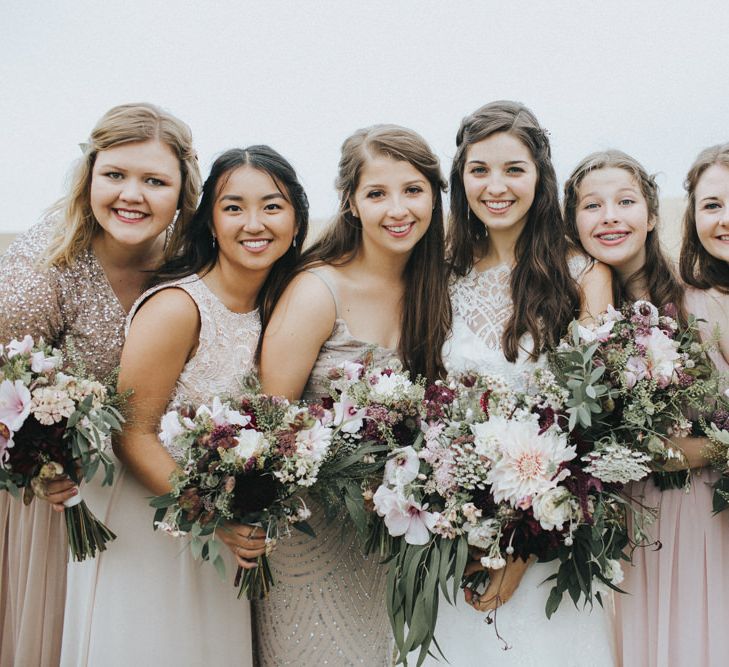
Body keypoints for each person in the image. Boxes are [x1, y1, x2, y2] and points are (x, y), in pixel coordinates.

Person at [56, 146, 309, 666]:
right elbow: (132, 431)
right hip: (154, 524)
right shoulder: (178, 306)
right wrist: (210, 516)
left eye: (273, 206)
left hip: (221, 536)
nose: (254, 223)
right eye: (234, 207)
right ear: (210, 221)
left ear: (297, 217)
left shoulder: (281, 304)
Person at [0, 102, 200, 667]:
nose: (131, 194)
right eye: (115, 175)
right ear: (89, 175)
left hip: (145, 498)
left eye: (154, 180)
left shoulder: (187, 264)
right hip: (57, 502)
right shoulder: (43, 267)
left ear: (183, 192)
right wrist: (34, 467)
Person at [255, 124, 451, 665]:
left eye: (413, 190)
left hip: (391, 540)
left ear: (434, 195)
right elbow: (271, 425)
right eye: (377, 193)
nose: (398, 209)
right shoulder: (318, 288)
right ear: (350, 203)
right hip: (311, 536)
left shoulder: (431, 288)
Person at [431, 101, 614, 666]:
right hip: (458, 535)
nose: (496, 185)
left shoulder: (583, 275)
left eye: (514, 169)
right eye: (479, 169)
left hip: (548, 537)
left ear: (540, 175)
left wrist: (522, 542)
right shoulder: (441, 276)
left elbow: (594, 421)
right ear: (461, 180)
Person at [566, 144, 729, 667]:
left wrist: (668, 451)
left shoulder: (703, 302)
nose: (609, 216)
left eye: (625, 201)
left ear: (653, 214)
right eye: (592, 205)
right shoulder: (572, 313)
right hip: (627, 524)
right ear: (572, 221)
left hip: (703, 516)